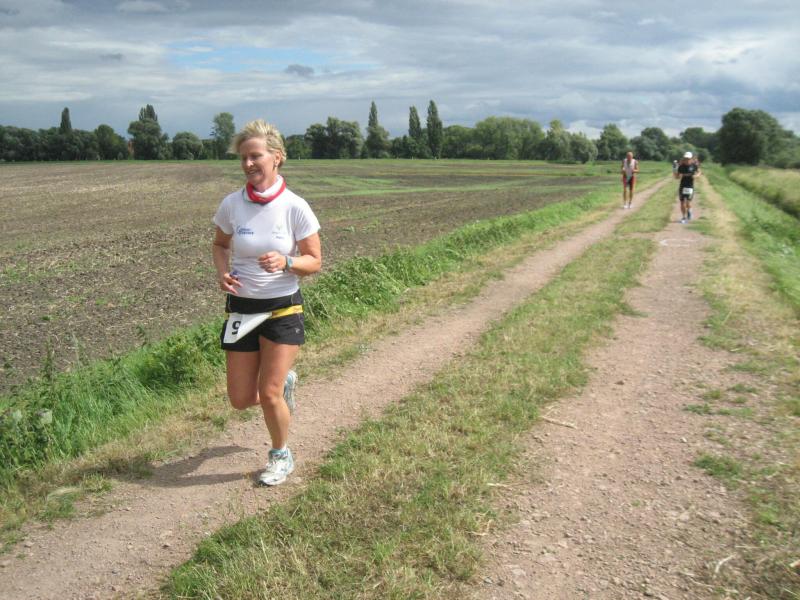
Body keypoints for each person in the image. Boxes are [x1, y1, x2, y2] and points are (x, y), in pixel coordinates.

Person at [212, 119, 322, 486]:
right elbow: (219, 245)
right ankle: (284, 381)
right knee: (241, 399)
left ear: (276, 157)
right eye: (243, 158)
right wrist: (222, 273)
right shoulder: (232, 204)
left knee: (268, 392)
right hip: (242, 309)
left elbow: (314, 261)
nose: (248, 164)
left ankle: (280, 455)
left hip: (282, 309)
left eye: (255, 156)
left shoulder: (295, 206)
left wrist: (287, 261)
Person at [674, 151, 701, 223]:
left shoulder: (694, 166)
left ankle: (689, 210)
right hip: (682, 186)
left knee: (688, 203)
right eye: (685, 158)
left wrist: (696, 176)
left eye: (688, 158)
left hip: (690, 186)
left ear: (691, 159)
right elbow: (676, 177)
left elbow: (699, 172)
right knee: (682, 202)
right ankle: (683, 217)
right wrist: (676, 173)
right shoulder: (681, 166)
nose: (687, 160)